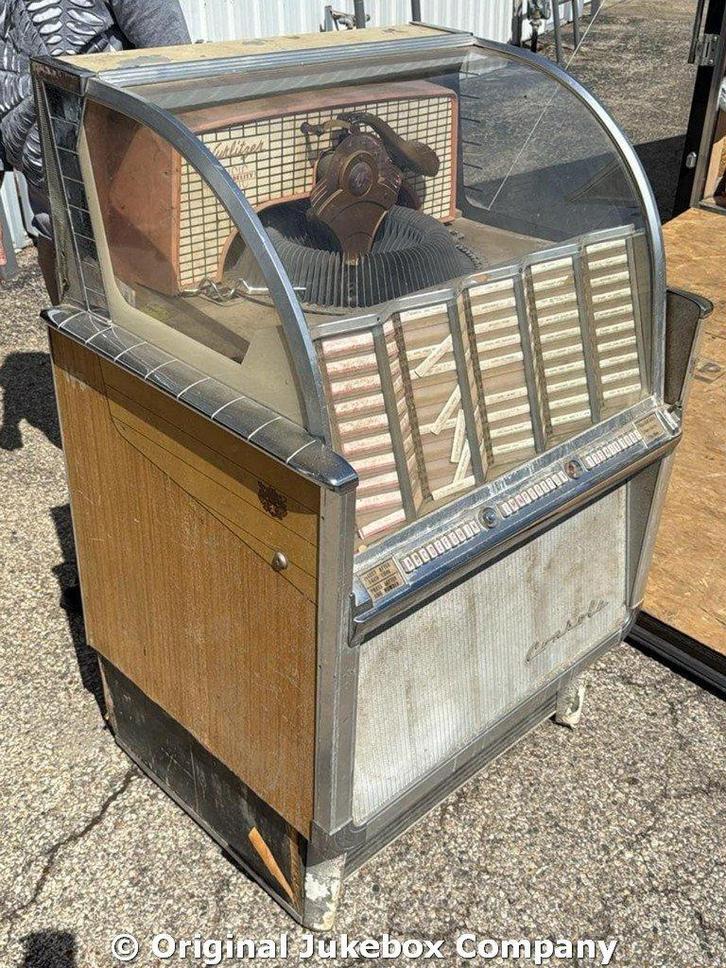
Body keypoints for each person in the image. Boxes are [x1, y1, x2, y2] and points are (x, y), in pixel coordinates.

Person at [0, 0, 190, 613]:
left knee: (147, 371)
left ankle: (169, 550)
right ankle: (112, 555)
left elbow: (172, 64)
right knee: (84, 376)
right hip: (51, 209)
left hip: (123, 209)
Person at [0, 0, 191, 303]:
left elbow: (172, 60)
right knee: (57, 250)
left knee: (138, 298)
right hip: (42, 167)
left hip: (121, 170)